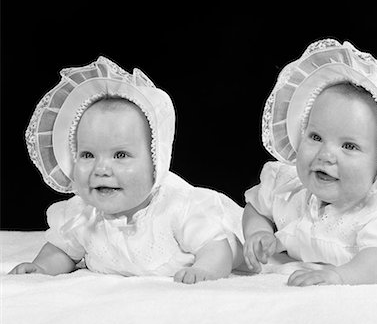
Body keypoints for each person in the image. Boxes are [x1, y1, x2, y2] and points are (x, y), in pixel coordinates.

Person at [9, 56, 244, 284]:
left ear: (156, 161)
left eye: (120, 155)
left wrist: (205, 269)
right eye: (88, 155)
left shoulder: (179, 207)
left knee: (239, 242)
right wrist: (41, 268)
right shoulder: (82, 215)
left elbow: (216, 247)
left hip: (226, 241)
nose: (101, 169)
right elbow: (62, 251)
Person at [242, 39, 377, 286]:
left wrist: (338, 275)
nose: (326, 155)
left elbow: (376, 266)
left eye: (349, 146)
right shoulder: (287, 188)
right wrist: (258, 231)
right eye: (316, 137)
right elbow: (255, 208)